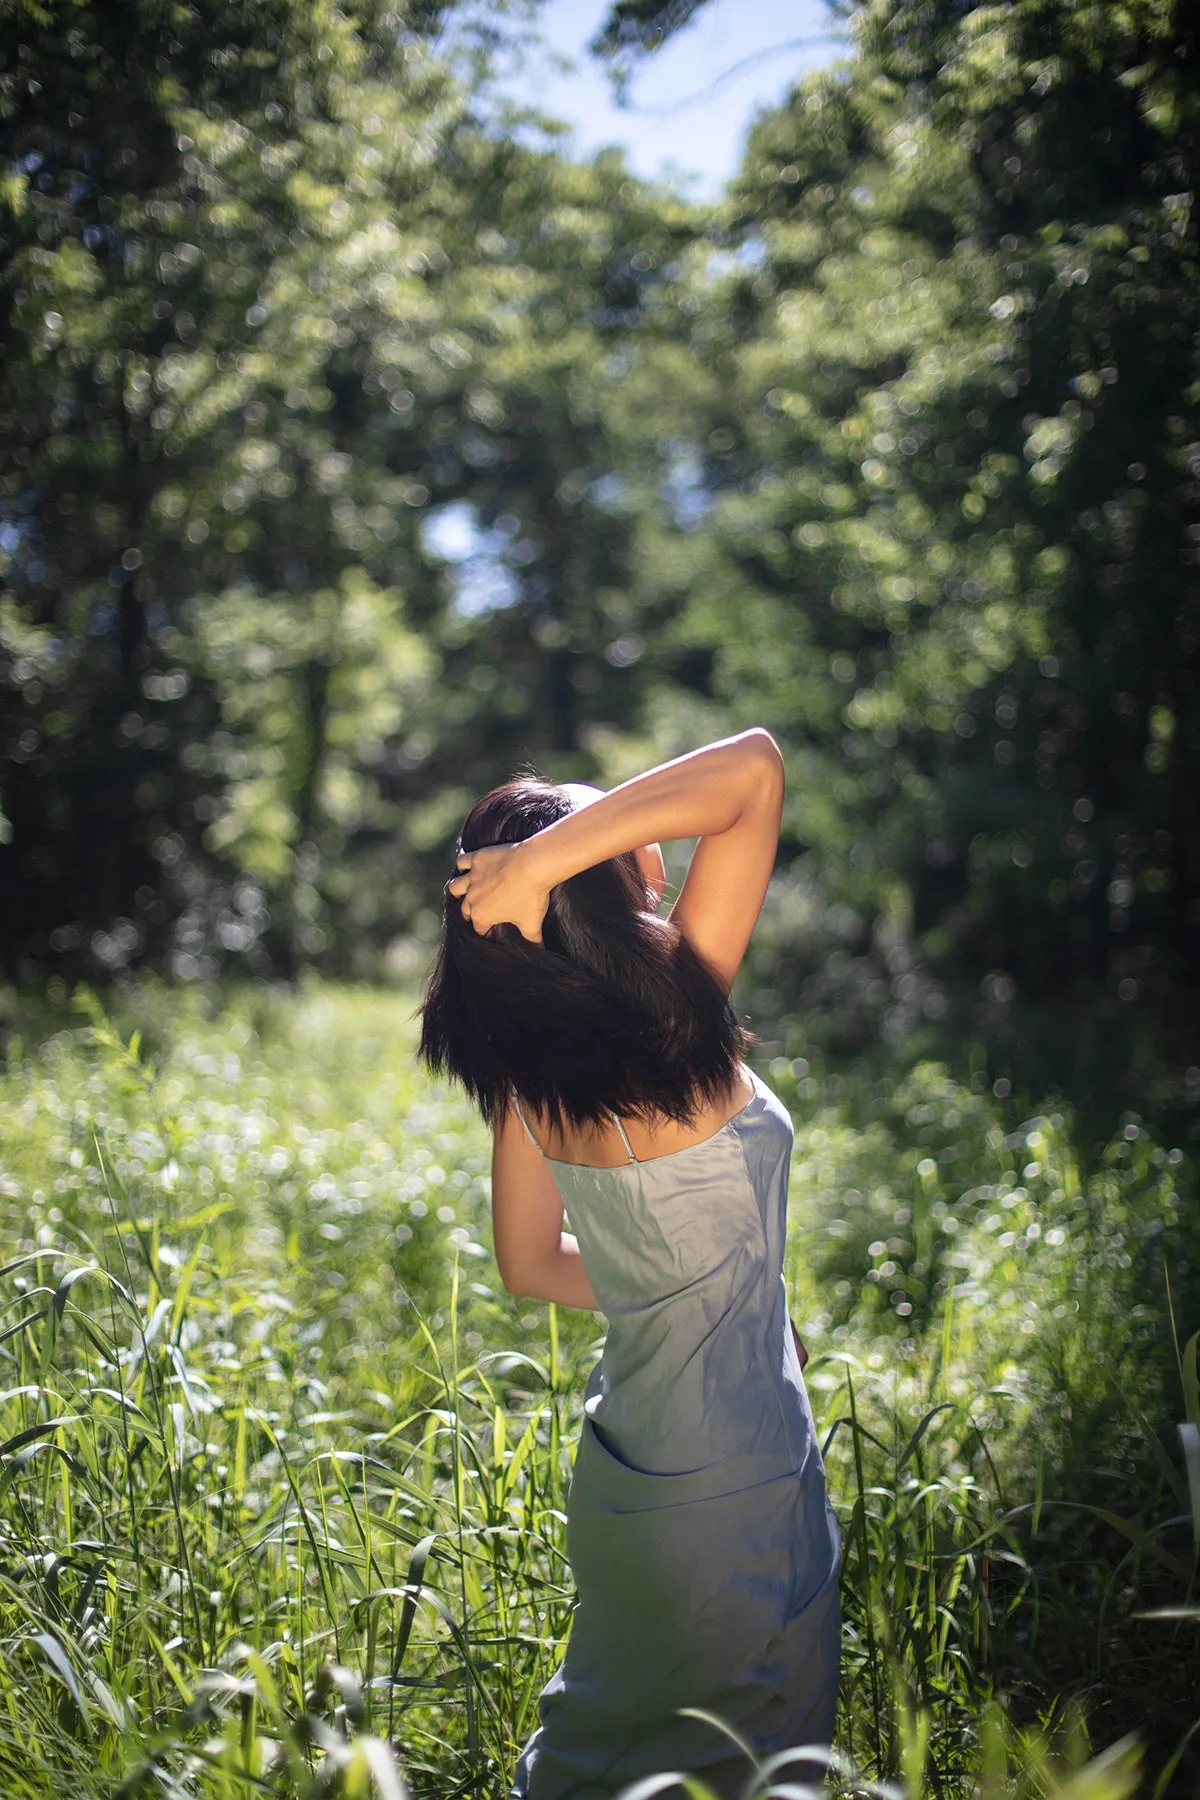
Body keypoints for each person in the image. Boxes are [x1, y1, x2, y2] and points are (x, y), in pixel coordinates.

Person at [419, 729, 841, 1799]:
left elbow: (525, 1265)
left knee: (602, 1754)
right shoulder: (679, 1022)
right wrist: (547, 856)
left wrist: (706, 1294)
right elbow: (751, 770)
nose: (649, 838)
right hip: (734, 1479)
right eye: (616, 826)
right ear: (592, 875)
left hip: (625, 1469)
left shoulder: (531, 1077)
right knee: (751, 1768)